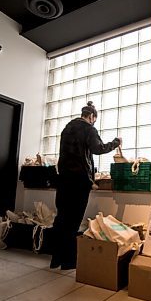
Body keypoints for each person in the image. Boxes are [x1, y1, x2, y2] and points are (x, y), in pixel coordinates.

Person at [50, 101, 121, 269]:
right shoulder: (89, 129)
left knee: (61, 219)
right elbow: (98, 148)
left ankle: (56, 259)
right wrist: (116, 142)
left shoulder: (66, 128)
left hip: (63, 180)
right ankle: (68, 262)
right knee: (73, 221)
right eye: (94, 119)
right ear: (91, 117)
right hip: (79, 181)